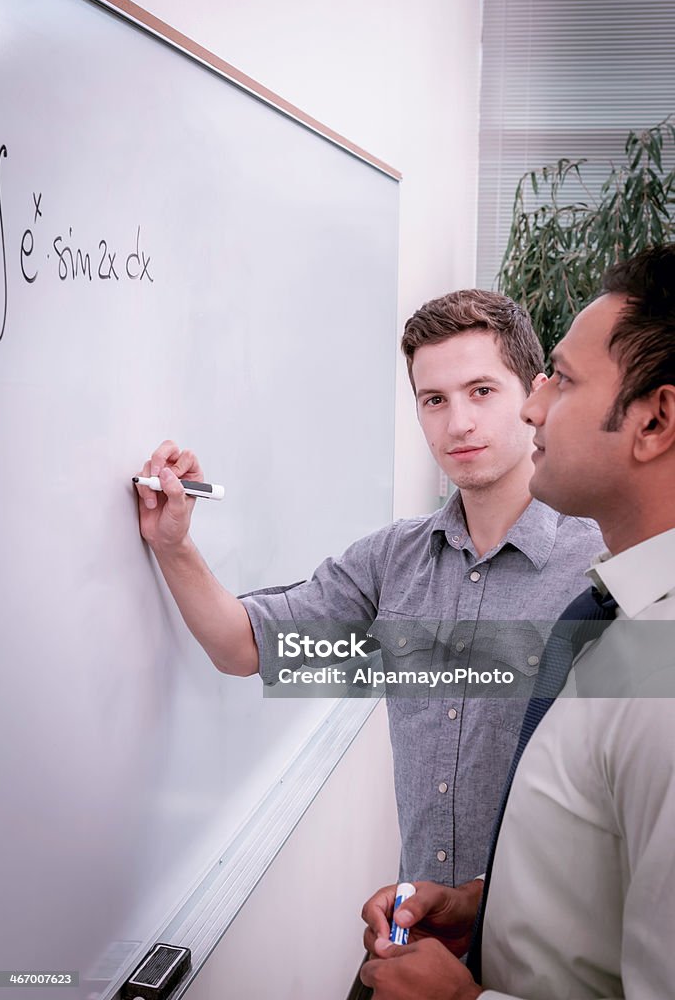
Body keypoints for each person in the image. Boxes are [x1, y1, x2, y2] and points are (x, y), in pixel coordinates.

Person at [135, 289, 602, 887]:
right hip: (415, 935)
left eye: (482, 391)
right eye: (434, 399)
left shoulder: (601, 565)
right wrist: (174, 545)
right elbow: (243, 648)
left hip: (548, 964)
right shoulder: (394, 561)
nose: (458, 422)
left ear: (535, 394)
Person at [360, 244, 675, 999]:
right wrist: (486, 908)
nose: (533, 407)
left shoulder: (660, 677)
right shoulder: (616, 617)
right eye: (433, 399)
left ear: (656, 420)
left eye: (560, 381)